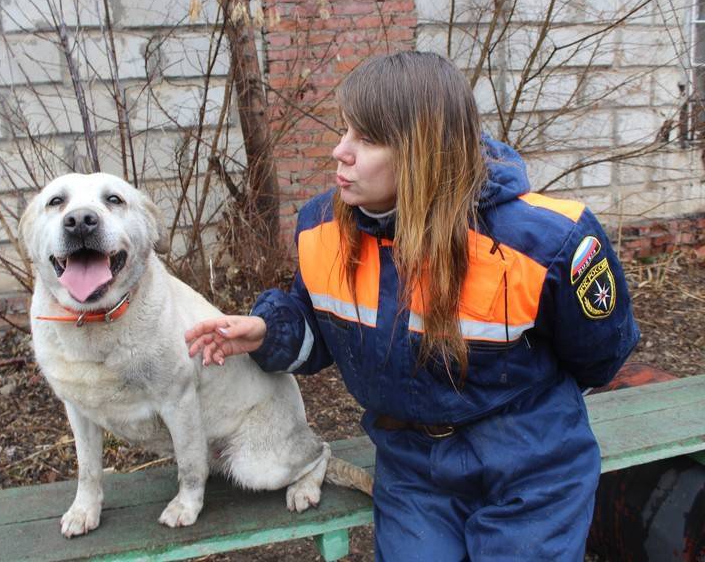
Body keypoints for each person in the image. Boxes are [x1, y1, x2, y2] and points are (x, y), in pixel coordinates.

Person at [184, 51, 640, 561]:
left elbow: (600, 356)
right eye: (344, 130)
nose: (340, 151)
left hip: (532, 466)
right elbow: (316, 319)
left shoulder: (549, 240)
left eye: (367, 138)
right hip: (413, 470)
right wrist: (269, 331)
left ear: (426, 149)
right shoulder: (323, 229)